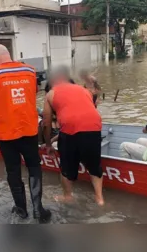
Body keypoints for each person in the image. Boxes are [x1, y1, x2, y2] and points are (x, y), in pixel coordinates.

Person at [0, 44, 51, 223]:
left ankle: (21, 209)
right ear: (9, 55)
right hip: (29, 129)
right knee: (34, 167)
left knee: (13, 170)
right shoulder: (30, 71)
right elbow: (32, 92)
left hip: (7, 133)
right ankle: (38, 209)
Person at [43, 65, 105, 206]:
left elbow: (46, 123)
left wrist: (48, 144)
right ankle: (100, 199)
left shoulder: (51, 94)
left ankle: (68, 196)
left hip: (71, 132)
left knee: (67, 168)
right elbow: (82, 119)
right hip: (94, 128)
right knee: (94, 166)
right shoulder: (84, 90)